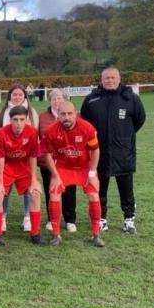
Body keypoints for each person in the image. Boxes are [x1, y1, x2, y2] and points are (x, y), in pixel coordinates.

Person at [80, 67, 146, 234]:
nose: (110, 80)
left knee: (126, 190)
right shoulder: (91, 99)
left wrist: (124, 136)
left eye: (113, 77)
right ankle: (101, 219)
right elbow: (85, 124)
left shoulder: (131, 98)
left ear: (119, 78)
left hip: (124, 153)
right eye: (106, 78)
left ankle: (129, 219)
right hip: (99, 153)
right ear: (101, 80)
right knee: (100, 189)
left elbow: (139, 120)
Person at [42, 101, 105, 247]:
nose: (66, 117)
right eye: (63, 114)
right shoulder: (51, 131)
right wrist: (55, 176)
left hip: (84, 167)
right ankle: (56, 235)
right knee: (54, 193)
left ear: (75, 113)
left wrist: (92, 173)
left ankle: (95, 235)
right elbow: (47, 155)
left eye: (70, 114)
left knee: (94, 194)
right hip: (63, 167)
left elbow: (95, 150)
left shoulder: (87, 128)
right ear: (58, 115)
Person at [0, 105, 47, 246]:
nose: (18, 123)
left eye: (22, 119)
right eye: (15, 120)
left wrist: (34, 180)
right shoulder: (1, 133)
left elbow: (33, 156)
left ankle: (35, 234)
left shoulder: (32, 132)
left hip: (24, 168)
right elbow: (1, 159)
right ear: (10, 120)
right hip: (7, 167)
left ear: (27, 119)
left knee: (35, 193)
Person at [0, 84, 39, 233]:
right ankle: (2, 220)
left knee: (33, 191)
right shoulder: (1, 115)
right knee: (1, 192)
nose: (19, 123)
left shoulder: (32, 116)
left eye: (20, 94)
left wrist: (34, 179)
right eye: (14, 94)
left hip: (23, 162)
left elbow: (33, 153)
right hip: (5, 162)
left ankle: (30, 222)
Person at [38, 89, 78, 234]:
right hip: (47, 162)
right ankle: (52, 219)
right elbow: (38, 138)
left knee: (69, 192)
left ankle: (70, 220)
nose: (56, 101)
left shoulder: (74, 116)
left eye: (59, 98)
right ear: (50, 101)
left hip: (68, 162)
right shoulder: (42, 116)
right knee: (51, 190)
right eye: (54, 99)